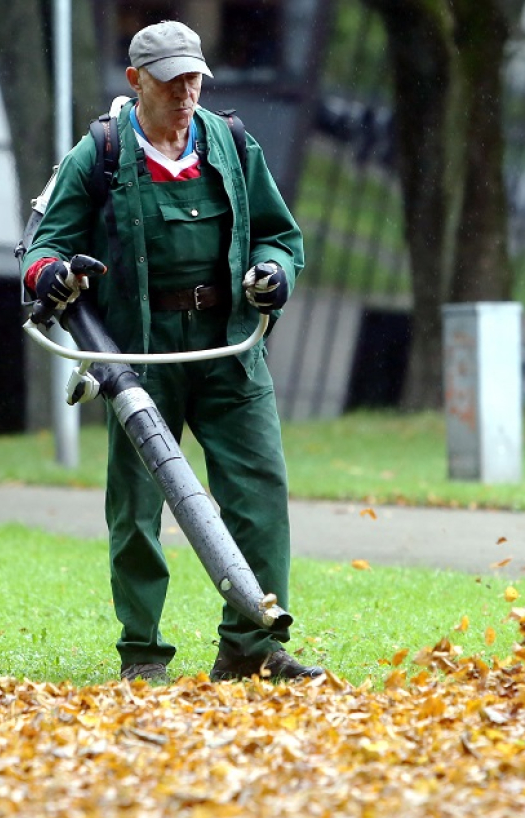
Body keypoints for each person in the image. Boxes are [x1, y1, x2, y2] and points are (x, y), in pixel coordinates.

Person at [20, 20, 321, 684]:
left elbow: (281, 235)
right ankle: (143, 654)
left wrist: (273, 276)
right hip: (140, 361)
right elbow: (40, 250)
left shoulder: (232, 143)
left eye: (195, 80)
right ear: (136, 81)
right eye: (172, 81)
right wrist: (56, 275)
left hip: (230, 350)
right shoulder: (98, 153)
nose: (188, 95)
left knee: (259, 493)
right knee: (137, 506)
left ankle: (251, 647)